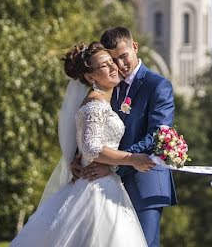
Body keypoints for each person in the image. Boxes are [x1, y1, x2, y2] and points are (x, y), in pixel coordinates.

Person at [11, 42, 154, 247]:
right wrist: (132, 159)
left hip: (107, 183)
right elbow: (91, 147)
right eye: (104, 65)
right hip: (95, 189)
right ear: (90, 77)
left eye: (111, 61)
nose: (113, 66)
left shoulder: (104, 101)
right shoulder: (94, 104)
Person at [73, 27, 177, 247]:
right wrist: (80, 157)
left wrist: (113, 166)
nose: (119, 65)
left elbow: (157, 135)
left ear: (135, 47)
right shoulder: (108, 85)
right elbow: (95, 127)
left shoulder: (157, 85)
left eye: (123, 57)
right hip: (106, 183)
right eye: (113, 60)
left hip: (144, 182)